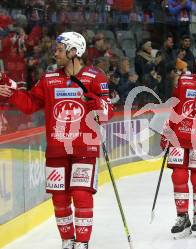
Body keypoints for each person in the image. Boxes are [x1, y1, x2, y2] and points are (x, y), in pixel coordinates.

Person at [0, 32, 113, 249]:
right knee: (60, 200)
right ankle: (67, 241)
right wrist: (11, 90)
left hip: (84, 147)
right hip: (56, 149)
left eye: (60, 49)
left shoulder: (95, 77)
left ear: (74, 52)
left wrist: (95, 102)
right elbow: (29, 104)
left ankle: (82, 243)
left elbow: (106, 113)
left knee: (81, 195)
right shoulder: (49, 79)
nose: (55, 53)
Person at [160, 50, 196, 239]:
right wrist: (168, 128)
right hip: (179, 135)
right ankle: (182, 216)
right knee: (178, 176)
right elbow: (176, 105)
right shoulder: (185, 80)